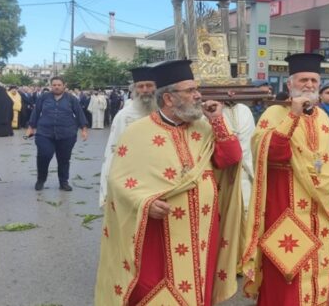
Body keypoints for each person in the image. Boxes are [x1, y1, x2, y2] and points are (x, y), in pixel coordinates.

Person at [95, 60, 243, 305]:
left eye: (197, 90)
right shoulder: (138, 132)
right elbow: (118, 182)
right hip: (158, 232)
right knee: (154, 289)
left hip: (202, 231)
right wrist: (145, 203)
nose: (198, 96)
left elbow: (230, 159)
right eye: (190, 91)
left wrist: (217, 119)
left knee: (199, 285)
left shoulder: (205, 128)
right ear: (169, 98)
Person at [241, 53, 329, 306]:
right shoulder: (274, 114)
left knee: (317, 269)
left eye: (314, 80)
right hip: (284, 207)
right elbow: (270, 154)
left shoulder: (323, 117)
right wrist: (293, 116)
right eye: (303, 80)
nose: (310, 85)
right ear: (290, 85)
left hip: (321, 209)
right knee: (287, 270)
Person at [98, 67, 157, 207]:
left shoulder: (167, 111)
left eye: (149, 85)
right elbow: (113, 150)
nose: (145, 90)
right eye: (140, 86)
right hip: (133, 177)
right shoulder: (123, 116)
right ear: (134, 90)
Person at [27, 77, 88, 191]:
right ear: (51, 86)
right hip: (45, 133)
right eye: (54, 85)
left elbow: (79, 113)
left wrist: (84, 129)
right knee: (44, 155)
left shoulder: (71, 99)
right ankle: (41, 179)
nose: (56, 86)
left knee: (64, 159)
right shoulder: (43, 98)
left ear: (64, 85)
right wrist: (31, 127)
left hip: (67, 134)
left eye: (59, 84)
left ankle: (63, 182)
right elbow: (36, 112)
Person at [221, 101, 255, 213]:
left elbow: (247, 148)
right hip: (218, 177)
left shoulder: (243, 110)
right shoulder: (205, 113)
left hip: (244, 174)